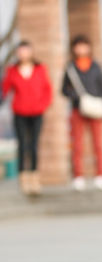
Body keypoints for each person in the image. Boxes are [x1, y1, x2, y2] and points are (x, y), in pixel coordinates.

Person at [2, 40, 52, 195]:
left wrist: (43, 105)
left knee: (34, 145)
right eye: (20, 51)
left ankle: (34, 177)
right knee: (22, 144)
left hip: (37, 112)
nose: (23, 54)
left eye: (25, 50)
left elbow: (47, 89)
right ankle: (23, 178)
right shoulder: (13, 70)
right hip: (20, 112)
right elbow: (5, 90)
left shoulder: (40, 68)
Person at [61, 35, 102, 190]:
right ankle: (78, 176)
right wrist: (75, 96)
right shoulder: (70, 68)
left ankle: (100, 175)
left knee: (98, 144)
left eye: (84, 45)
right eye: (78, 46)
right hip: (78, 109)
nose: (81, 49)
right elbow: (63, 90)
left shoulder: (96, 66)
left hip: (96, 109)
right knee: (77, 144)